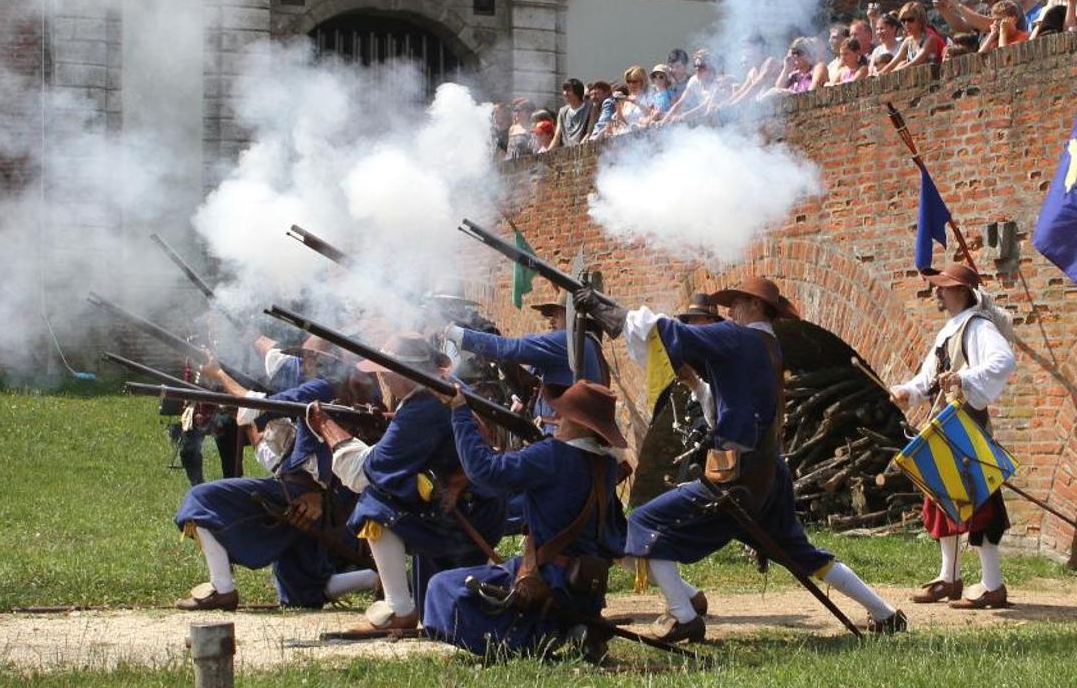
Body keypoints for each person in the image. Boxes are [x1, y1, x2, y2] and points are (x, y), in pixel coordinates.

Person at [602, 276, 906, 642]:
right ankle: (884, 613)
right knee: (802, 553)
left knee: (643, 523)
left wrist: (617, 315)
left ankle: (683, 614)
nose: (730, 311)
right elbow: (719, 389)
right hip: (766, 473)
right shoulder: (766, 344)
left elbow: (669, 332)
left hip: (735, 475)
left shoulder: (741, 338)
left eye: (738, 303)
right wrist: (696, 380)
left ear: (757, 306)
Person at [422, 381, 630, 661]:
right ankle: (569, 629)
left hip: (548, 580)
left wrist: (460, 412)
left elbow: (483, 471)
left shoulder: (552, 455)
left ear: (579, 423)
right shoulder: (606, 465)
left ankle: (526, 640)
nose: (557, 419)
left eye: (564, 414)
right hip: (585, 586)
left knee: (442, 588)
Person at [171, 341, 382, 610]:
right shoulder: (352, 392)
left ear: (318, 362)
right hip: (331, 497)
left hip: (299, 492)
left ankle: (222, 588)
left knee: (200, 499)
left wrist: (218, 375)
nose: (302, 365)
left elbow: (257, 405)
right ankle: (382, 578)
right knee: (299, 590)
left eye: (307, 359)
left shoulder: (320, 388)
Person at [331, 334, 508, 635]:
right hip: (472, 504)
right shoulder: (437, 389)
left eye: (387, 373)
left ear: (405, 372)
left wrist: (327, 429)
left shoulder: (422, 407)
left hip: (466, 515)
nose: (383, 380)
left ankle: (398, 608)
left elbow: (367, 472)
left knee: (375, 501)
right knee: (436, 618)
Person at [889, 263, 1017, 609]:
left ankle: (993, 584)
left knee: (979, 504)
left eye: (944, 287)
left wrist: (965, 380)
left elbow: (1003, 362)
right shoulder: (949, 331)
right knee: (942, 497)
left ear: (961, 291)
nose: (938, 292)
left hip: (968, 427)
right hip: (948, 425)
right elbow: (929, 378)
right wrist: (908, 392)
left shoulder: (979, 327)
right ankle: (950, 578)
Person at [446, 304, 607, 435]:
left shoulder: (570, 342)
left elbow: (513, 348)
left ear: (574, 316)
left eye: (557, 316)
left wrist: (456, 334)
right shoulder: (588, 345)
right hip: (566, 438)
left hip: (562, 442)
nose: (551, 322)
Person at [890, 1, 944, 70]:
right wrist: (879, 74)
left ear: (920, 20)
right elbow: (893, 63)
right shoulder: (907, 41)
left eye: (910, 20)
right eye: (903, 20)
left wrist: (893, 72)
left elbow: (915, 63)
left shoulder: (930, 39)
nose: (906, 24)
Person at [555, 79, 593, 148]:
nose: (565, 93)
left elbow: (589, 133)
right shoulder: (562, 111)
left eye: (569, 90)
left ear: (577, 92)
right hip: (566, 152)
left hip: (582, 150)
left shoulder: (590, 108)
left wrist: (579, 149)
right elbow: (557, 137)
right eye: (564, 90)